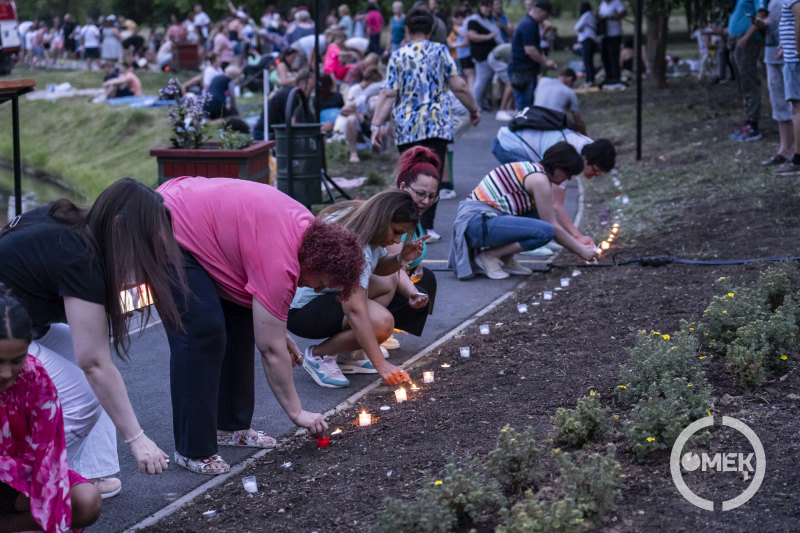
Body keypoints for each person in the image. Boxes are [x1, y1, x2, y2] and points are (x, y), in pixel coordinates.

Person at [157, 177, 366, 474]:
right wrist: (297, 412)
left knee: (240, 320)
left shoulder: (308, 234)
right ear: (316, 265)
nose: (319, 291)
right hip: (167, 224)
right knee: (202, 333)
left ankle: (229, 426)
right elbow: (269, 349)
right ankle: (193, 449)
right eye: (324, 284)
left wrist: (282, 335)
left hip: (198, 219)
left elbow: (267, 323)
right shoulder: (282, 264)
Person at [0, 179, 187, 498]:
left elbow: (98, 310)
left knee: (93, 366)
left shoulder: (75, 228)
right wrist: (137, 439)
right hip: (8, 332)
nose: (146, 253)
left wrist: (153, 292)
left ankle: (92, 472)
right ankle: (21, 481)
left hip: (23, 322)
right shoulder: (81, 258)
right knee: (89, 383)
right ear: (118, 227)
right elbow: (94, 363)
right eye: (143, 243)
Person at [288, 190, 425, 388]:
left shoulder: (364, 225)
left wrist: (401, 258)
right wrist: (381, 364)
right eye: (396, 232)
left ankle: (346, 353)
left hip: (320, 298)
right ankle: (319, 355)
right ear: (383, 218)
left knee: (386, 283)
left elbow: (380, 267)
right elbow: (354, 310)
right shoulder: (357, 245)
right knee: (382, 323)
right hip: (301, 309)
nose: (397, 241)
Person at [371, 5, 480, 243]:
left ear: (407, 29)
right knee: (432, 177)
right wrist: (473, 109)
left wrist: (376, 124)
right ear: (432, 28)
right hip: (436, 125)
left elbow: (388, 94)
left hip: (406, 125)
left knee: (408, 177)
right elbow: (459, 86)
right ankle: (427, 228)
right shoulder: (441, 51)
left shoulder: (398, 55)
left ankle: (404, 226)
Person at [0, 286, 102, 533]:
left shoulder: (35, 379)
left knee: (86, 502)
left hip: (19, 471)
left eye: (16, 361)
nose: (6, 374)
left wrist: (34, 493)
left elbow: (47, 456)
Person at [449, 142, 597, 280]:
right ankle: (490, 256)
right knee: (545, 232)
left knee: (540, 213)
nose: (568, 180)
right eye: (569, 175)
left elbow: (547, 215)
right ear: (559, 170)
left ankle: (505, 259)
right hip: (476, 222)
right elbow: (552, 226)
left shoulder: (533, 170)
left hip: (481, 221)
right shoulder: (539, 180)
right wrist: (582, 251)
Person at [370, 148, 440, 349]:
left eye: (431, 196)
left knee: (425, 278)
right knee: (395, 282)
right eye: (420, 194)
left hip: (386, 277)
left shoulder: (411, 212)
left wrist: (414, 265)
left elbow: (402, 260)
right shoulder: (393, 214)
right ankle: (371, 334)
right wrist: (412, 292)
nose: (425, 201)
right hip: (368, 283)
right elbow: (390, 268)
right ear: (402, 186)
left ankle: (385, 329)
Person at [758, 0, 794, 167]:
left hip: (792, 54)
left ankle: (796, 150)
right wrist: (763, 23)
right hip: (772, 51)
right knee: (778, 101)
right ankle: (785, 149)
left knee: (795, 103)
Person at [727, 0, 766, 141]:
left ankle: (753, 125)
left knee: (749, 80)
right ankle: (748, 120)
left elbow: (761, 14)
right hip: (735, 40)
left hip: (748, 41)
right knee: (743, 82)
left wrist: (746, 36)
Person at [509, 0, 556, 110]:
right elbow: (530, 50)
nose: (546, 18)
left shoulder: (531, 23)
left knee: (527, 104)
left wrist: (546, 61)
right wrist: (545, 62)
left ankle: (523, 125)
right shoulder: (528, 25)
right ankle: (520, 126)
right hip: (523, 71)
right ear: (540, 11)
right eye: (546, 15)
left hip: (526, 70)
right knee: (523, 107)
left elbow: (536, 48)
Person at [774, 0, 800, 173]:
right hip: (792, 57)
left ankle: (798, 158)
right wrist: (786, 43)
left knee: (797, 108)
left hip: (795, 61)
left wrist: (798, 49)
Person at [468, 0, 503, 111]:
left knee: (487, 82)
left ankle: (482, 103)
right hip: (481, 56)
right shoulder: (474, 20)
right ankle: (475, 105)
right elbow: (472, 36)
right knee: (481, 81)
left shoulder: (488, 20)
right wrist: (488, 37)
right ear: (480, 6)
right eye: (485, 6)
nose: (487, 8)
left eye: (489, 6)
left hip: (491, 56)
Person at [534, 69, 587, 134]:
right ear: (570, 79)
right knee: (573, 126)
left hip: (534, 117)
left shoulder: (543, 80)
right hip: (553, 123)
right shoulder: (569, 92)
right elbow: (578, 121)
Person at [597, 0, 626, 86]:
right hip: (604, 34)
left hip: (614, 34)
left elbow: (623, 13)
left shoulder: (617, 3)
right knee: (605, 56)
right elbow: (598, 14)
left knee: (614, 56)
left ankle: (616, 77)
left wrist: (612, 17)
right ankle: (608, 76)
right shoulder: (602, 4)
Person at [574, 1, 597, 86]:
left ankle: (589, 80)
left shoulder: (586, 15)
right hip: (590, 40)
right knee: (589, 61)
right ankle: (591, 79)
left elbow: (577, 27)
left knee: (587, 61)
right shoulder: (590, 15)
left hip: (587, 40)